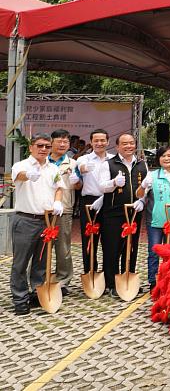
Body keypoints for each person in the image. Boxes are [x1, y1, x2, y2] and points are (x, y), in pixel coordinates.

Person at [10, 133, 66, 315]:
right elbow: (19, 176)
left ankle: (36, 293)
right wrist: (29, 174)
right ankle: (20, 298)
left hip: (47, 221)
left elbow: (59, 188)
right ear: (32, 147)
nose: (43, 149)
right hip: (26, 220)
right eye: (40, 146)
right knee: (21, 262)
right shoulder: (21, 165)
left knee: (42, 261)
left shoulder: (53, 168)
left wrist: (58, 201)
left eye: (47, 146)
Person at [97, 133, 148, 296]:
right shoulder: (109, 164)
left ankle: (128, 277)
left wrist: (143, 200)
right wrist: (113, 183)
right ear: (117, 147)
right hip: (113, 213)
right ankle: (111, 283)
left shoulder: (141, 165)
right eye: (124, 144)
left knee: (131, 247)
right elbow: (101, 186)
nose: (128, 146)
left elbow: (147, 187)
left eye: (131, 143)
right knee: (112, 248)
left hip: (134, 213)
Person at [139, 145, 170, 290]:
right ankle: (153, 281)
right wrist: (144, 185)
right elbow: (139, 195)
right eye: (163, 156)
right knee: (154, 251)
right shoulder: (152, 175)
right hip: (155, 220)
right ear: (158, 159)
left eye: (169, 156)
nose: (167, 158)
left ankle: (169, 279)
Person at [76, 129, 110, 283]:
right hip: (89, 202)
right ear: (91, 142)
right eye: (96, 140)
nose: (100, 143)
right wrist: (84, 168)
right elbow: (82, 167)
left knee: (109, 240)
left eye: (103, 140)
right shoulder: (84, 159)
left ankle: (108, 276)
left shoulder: (114, 159)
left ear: (108, 142)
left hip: (109, 201)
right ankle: (90, 273)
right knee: (89, 240)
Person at [49, 129, 80, 296]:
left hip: (64, 209)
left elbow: (79, 187)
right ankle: (40, 278)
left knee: (63, 248)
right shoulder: (42, 162)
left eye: (65, 142)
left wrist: (77, 182)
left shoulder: (73, 164)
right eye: (59, 141)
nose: (62, 144)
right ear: (51, 142)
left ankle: (63, 280)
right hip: (42, 210)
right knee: (41, 247)